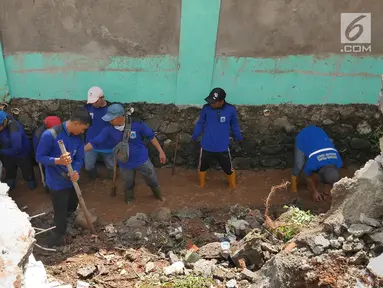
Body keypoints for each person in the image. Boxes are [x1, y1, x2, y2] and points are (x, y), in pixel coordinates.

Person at [84, 103, 166, 204]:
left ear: (120, 117)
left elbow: (151, 136)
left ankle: (158, 195)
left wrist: (161, 151)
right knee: (128, 182)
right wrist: (81, 151)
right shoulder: (108, 130)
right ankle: (129, 199)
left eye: (112, 119)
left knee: (151, 178)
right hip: (124, 162)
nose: (110, 121)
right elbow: (95, 142)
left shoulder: (137, 124)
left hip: (142, 160)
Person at [36, 108, 91, 247]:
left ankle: (71, 220)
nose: (83, 132)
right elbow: (40, 157)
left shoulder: (79, 137)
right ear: (77, 123)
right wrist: (58, 161)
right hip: (57, 182)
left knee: (72, 205)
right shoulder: (50, 135)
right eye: (83, 129)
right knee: (60, 211)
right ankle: (57, 237)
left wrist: (76, 171)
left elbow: (79, 158)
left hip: (71, 180)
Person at [191, 87, 243, 189]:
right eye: (211, 101)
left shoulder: (230, 110)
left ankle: (232, 187)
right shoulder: (206, 108)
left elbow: (235, 125)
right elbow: (200, 123)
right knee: (202, 167)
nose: (211, 104)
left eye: (214, 102)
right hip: (206, 146)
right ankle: (202, 185)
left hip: (222, 147)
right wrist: (194, 136)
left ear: (221, 101)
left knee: (228, 169)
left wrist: (239, 137)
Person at [291, 125, 343, 201]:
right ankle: (293, 186)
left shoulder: (338, 162)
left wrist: (326, 192)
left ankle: (312, 186)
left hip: (319, 133)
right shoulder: (313, 163)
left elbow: (329, 178)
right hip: (304, 136)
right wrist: (314, 192)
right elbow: (308, 177)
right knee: (299, 165)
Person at [0, 110, 37, 190]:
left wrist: (2, 151)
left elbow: (17, 148)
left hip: (22, 154)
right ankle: (10, 188)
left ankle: (32, 188)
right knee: (10, 173)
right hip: (8, 153)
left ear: (5, 121)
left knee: (28, 173)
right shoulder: (3, 124)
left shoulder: (14, 128)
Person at [83, 86, 112, 179]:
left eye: (95, 101)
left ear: (102, 97)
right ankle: (94, 178)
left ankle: (111, 179)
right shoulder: (87, 108)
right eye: (91, 102)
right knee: (88, 166)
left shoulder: (111, 110)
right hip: (90, 144)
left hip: (108, 145)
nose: (93, 104)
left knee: (111, 166)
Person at [33, 116, 62, 192]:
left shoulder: (62, 130)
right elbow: (38, 152)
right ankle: (47, 188)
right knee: (45, 173)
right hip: (45, 157)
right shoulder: (39, 134)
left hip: (58, 156)